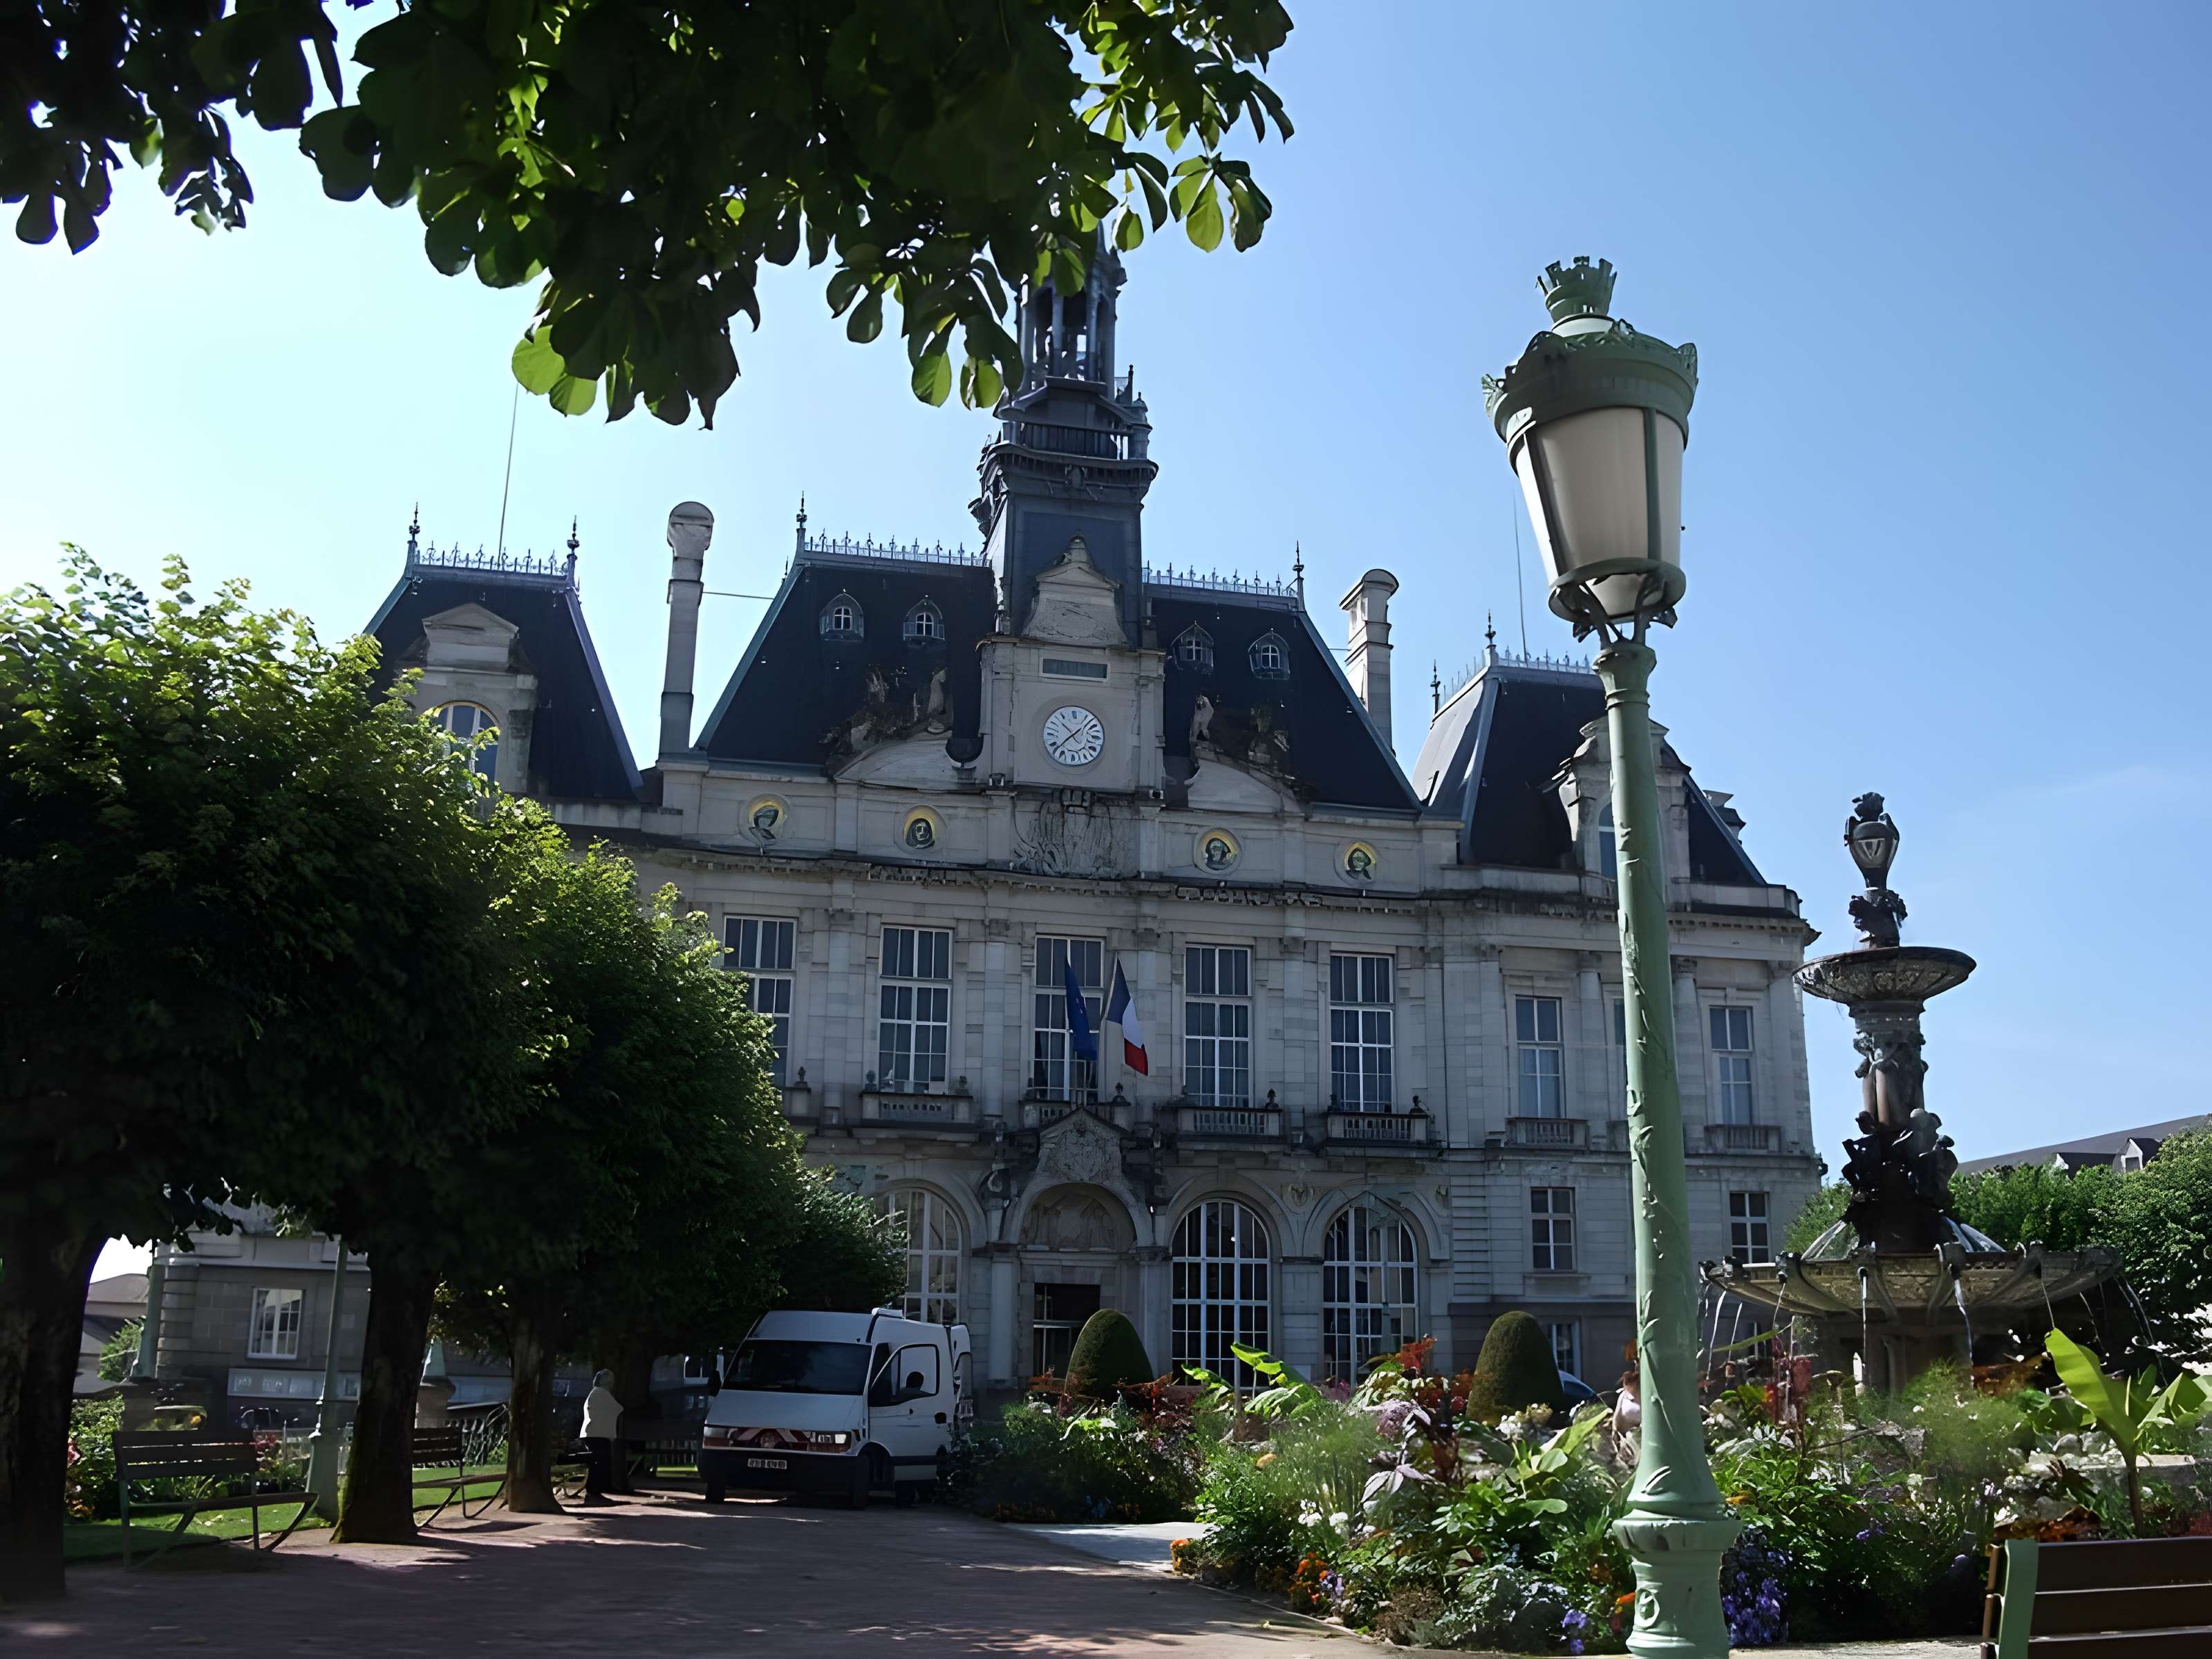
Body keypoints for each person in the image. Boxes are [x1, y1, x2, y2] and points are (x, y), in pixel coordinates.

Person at [581, 1368, 622, 1504]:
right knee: (598, 1464)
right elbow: (617, 1409)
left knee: (599, 1463)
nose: (612, 1382)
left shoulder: (597, 1393)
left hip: (596, 1433)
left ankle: (595, 1492)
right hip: (597, 1434)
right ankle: (594, 1493)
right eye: (609, 1378)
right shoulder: (601, 1393)